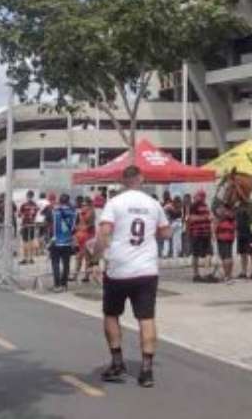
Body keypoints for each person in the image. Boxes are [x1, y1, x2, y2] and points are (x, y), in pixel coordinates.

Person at [95, 165, 171, 388]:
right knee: (146, 319)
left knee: (111, 315)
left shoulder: (115, 203)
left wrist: (95, 256)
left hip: (119, 269)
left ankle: (117, 363)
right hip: (146, 270)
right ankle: (146, 371)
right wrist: (151, 233)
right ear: (141, 179)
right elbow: (166, 232)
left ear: (122, 180)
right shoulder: (153, 203)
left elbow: (105, 232)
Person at [49, 194, 77, 292]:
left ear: (59, 201)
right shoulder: (73, 212)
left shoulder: (54, 211)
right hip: (67, 241)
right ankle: (64, 285)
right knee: (66, 264)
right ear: (68, 201)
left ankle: (57, 285)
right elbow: (73, 228)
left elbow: (49, 225)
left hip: (55, 241)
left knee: (55, 263)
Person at [186, 190, 215, 282]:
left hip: (206, 233)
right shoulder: (193, 206)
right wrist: (205, 218)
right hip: (196, 234)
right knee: (196, 254)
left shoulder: (205, 206)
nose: (202, 197)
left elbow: (209, 217)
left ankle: (207, 273)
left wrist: (212, 231)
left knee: (209, 253)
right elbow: (190, 218)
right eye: (200, 196)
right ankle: (196, 274)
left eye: (203, 196)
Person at [214, 200, 237, 284]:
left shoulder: (220, 214)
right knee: (229, 256)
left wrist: (214, 234)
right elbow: (235, 224)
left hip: (222, 236)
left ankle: (227, 276)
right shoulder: (231, 214)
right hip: (230, 236)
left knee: (225, 257)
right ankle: (229, 275)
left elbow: (216, 225)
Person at [18, 190, 40, 264]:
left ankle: (25, 258)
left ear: (27, 196)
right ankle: (30, 258)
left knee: (25, 242)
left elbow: (19, 215)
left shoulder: (24, 205)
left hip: (25, 224)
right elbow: (37, 214)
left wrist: (24, 215)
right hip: (32, 224)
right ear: (32, 196)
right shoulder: (35, 205)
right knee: (31, 241)